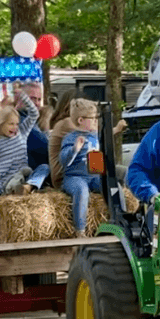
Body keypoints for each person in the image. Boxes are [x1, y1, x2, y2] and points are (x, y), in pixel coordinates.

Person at [0, 93, 40, 244]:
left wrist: (22, 95)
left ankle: (29, 187)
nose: (15, 127)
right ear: (0, 124)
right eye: (11, 124)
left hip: (23, 175)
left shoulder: (21, 133)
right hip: (3, 179)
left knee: (43, 168)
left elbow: (34, 113)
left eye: (17, 124)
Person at [59, 99, 101, 238]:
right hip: (75, 177)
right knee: (81, 191)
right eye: (92, 118)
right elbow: (63, 160)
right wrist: (75, 149)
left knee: (110, 184)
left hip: (94, 176)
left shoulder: (96, 136)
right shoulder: (71, 138)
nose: (96, 121)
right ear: (81, 120)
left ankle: (122, 218)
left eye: (96, 117)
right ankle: (80, 230)